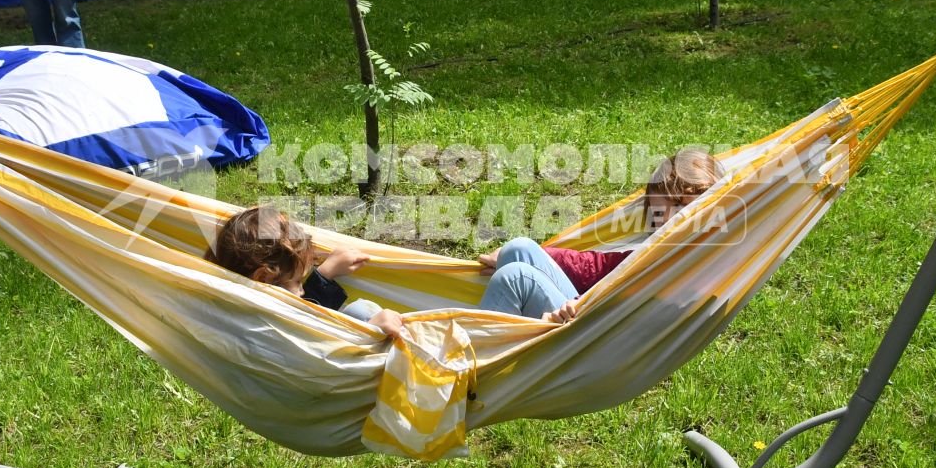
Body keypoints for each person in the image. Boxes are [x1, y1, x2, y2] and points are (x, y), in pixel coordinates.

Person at [208, 206, 578, 336]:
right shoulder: (278, 326)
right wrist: (370, 328)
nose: (304, 292)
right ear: (262, 277)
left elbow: (311, 313)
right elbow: (326, 345)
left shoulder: (270, 305)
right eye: (299, 285)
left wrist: (325, 276)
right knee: (516, 278)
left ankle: (585, 315)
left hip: (439, 345)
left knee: (522, 249)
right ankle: (582, 323)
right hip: (459, 367)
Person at [475, 148, 722, 296]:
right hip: (587, 320)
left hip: (599, 337)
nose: (669, 219)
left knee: (515, 276)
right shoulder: (654, 250)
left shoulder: (703, 257)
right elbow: (597, 267)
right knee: (519, 250)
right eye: (659, 215)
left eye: (680, 205)